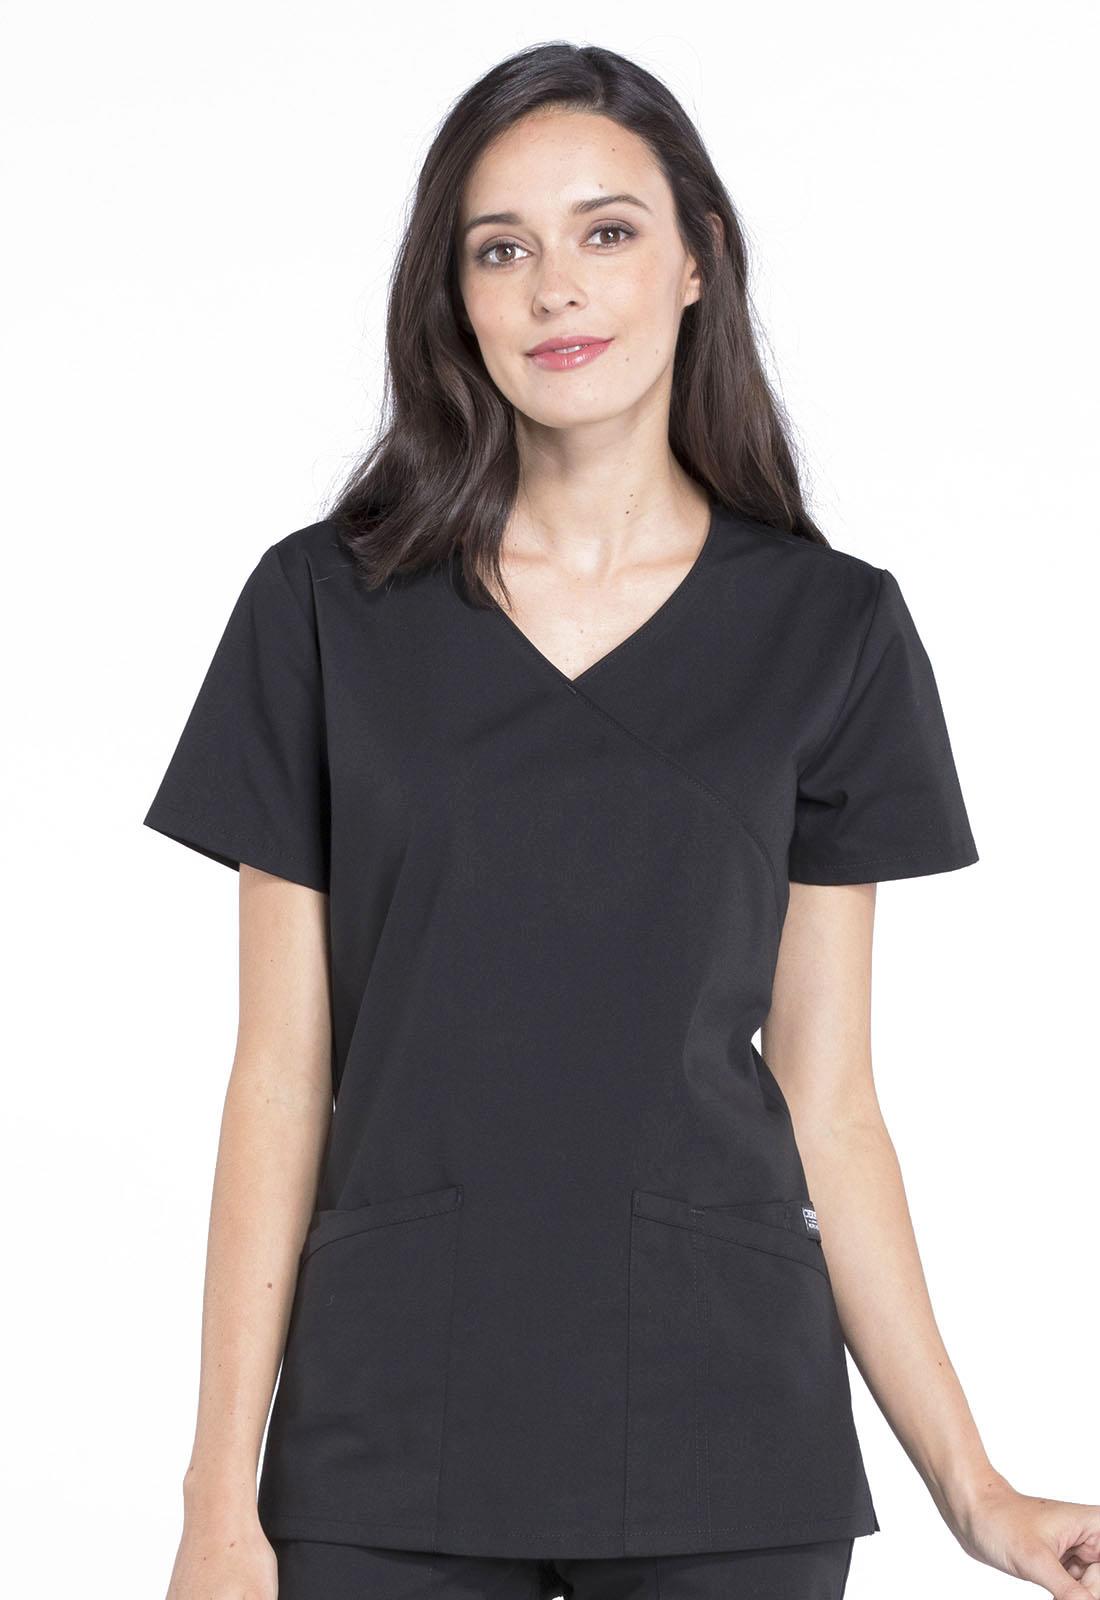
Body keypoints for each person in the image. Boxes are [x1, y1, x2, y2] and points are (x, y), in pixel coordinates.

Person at [147, 40, 1100, 1600]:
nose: (554, 289)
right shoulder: (322, 611)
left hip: (728, 1432)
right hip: (387, 1430)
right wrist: (213, 1505)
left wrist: (974, 1491)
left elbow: (831, 1102)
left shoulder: (830, 632)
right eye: (500, 249)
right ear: (454, 296)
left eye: (606, 231)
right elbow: (276, 1079)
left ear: (698, 261)